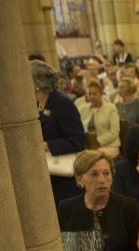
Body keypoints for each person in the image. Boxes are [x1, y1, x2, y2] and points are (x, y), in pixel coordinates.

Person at [32, 59, 88, 210]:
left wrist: (48, 145)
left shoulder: (62, 103)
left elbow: (78, 140)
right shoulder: (38, 104)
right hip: (49, 172)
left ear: (37, 85)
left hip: (65, 176)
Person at [79, 80, 121, 158]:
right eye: (89, 94)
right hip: (88, 146)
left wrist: (97, 142)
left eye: (95, 94)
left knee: (91, 156)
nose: (92, 96)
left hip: (109, 146)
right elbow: (79, 129)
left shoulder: (111, 108)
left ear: (101, 94)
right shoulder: (82, 109)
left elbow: (114, 132)